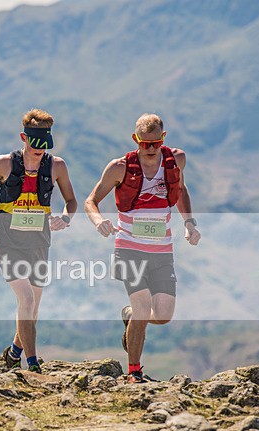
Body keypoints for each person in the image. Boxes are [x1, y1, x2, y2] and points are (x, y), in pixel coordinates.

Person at [84, 113, 201, 383]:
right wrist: (99, 221)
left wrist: (189, 223)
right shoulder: (119, 167)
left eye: (156, 143)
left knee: (163, 315)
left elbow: (181, 190)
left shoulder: (176, 160)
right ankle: (134, 372)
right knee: (142, 306)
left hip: (162, 250)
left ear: (163, 138)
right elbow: (91, 201)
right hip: (129, 248)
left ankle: (129, 316)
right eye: (144, 143)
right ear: (135, 139)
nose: (150, 149)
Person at [0, 109, 77, 373]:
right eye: (35, 144)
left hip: (39, 242)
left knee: (33, 307)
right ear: (24, 138)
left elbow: (71, 201)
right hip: (8, 241)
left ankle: (13, 352)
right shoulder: (4, 164)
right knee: (27, 300)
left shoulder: (57, 166)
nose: (40, 150)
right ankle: (32, 363)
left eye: (45, 145)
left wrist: (65, 218)